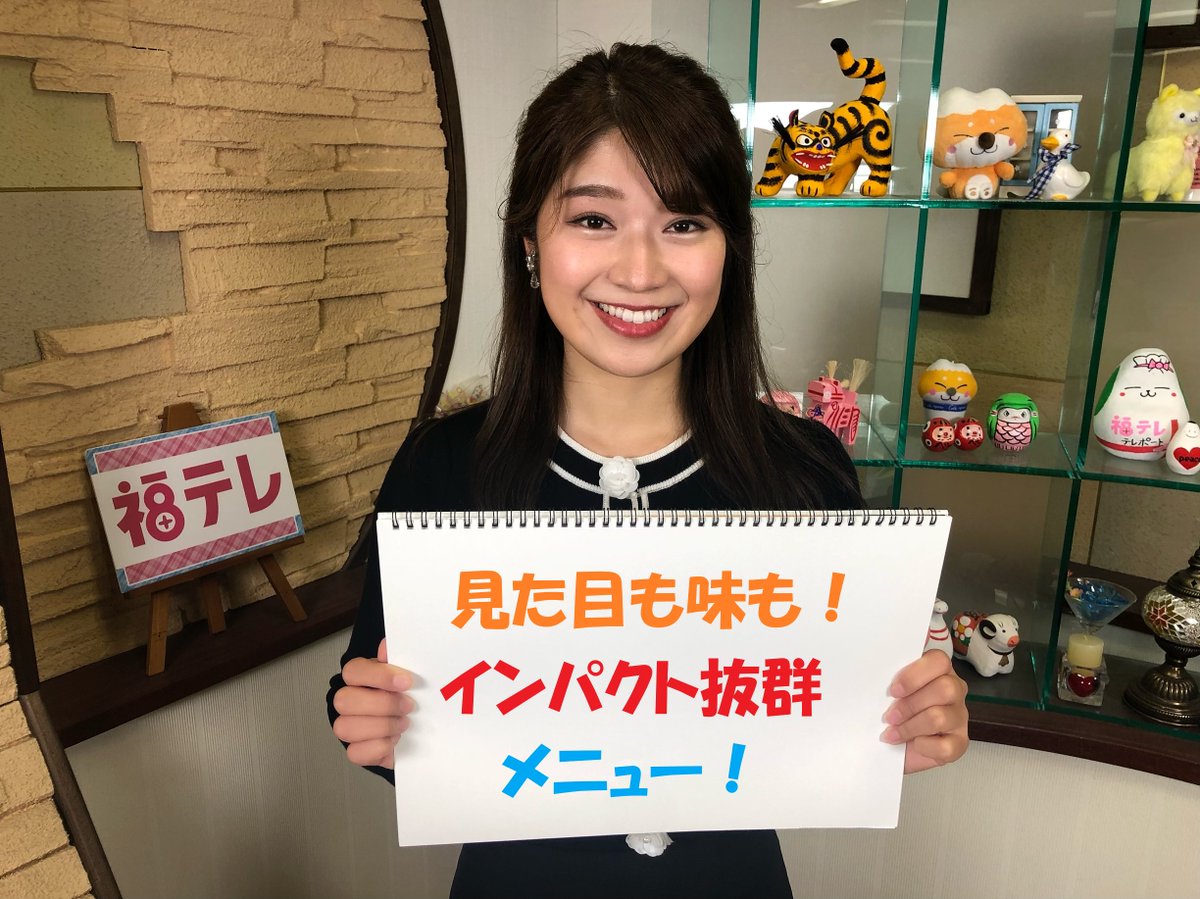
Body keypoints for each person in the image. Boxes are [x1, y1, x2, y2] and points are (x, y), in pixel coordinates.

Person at [327, 42, 969, 898]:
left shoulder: (804, 472)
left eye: (685, 222)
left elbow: (858, 700)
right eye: (594, 220)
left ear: (730, 246)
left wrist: (920, 714)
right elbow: (372, 691)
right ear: (531, 240)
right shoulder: (442, 467)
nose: (639, 271)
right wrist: (369, 722)